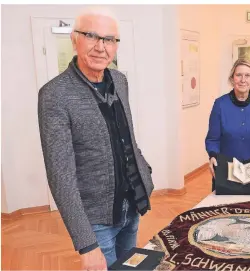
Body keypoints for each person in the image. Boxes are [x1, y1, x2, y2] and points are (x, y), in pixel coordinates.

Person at [37, 7, 154, 270]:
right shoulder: (55, 95)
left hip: (132, 204)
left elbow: (126, 136)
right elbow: (60, 176)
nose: (101, 47)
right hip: (97, 220)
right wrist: (86, 244)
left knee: (129, 267)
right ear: (74, 39)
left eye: (110, 39)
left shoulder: (120, 80)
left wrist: (144, 173)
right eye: (92, 36)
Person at [205, 59, 250, 189]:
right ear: (232, 79)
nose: (243, 80)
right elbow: (212, 139)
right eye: (239, 75)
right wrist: (213, 156)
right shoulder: (220, 104)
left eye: (248, 75)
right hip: (226, 171)